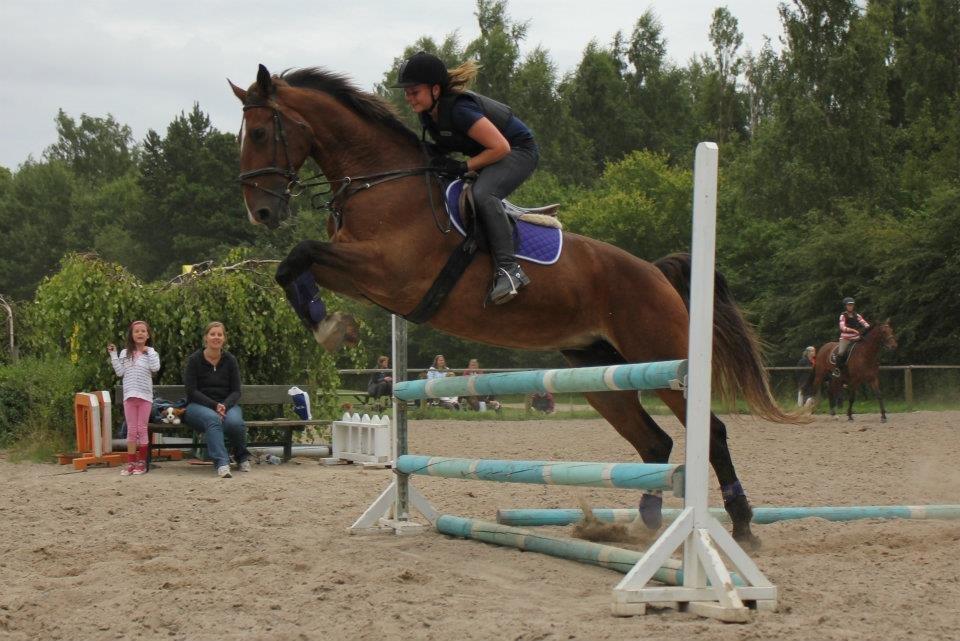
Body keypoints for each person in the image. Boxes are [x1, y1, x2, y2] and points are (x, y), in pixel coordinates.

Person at [393, 51, 539, 305]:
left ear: (435, 89)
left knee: (484, 193)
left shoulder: (459, 109)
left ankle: (509, 269)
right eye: (407, 92)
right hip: (493, 152)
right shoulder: (428, 114)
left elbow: (501, 147)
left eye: (414, 91)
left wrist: (464, 166)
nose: (408, 97)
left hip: (517, 151)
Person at [182, 321, 251, 478]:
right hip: (197, 406)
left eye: (220, 334)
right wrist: (214, 406)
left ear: (224, 338)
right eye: (212, 334)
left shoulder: (230, 360)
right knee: (213, 419)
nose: (216, 337)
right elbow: (191, 391)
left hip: (226, 405)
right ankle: (222, 463)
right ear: (206, 337)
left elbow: (236, 391)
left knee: (235, 422)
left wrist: (224, 405)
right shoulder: (194, 360)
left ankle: (241, 457)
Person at [108, 320, 161, 476]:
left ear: (148, 335)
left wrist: (148, 351)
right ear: (131, 335)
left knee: (142, 429)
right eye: (136, 331)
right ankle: (131, 461)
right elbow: (119, 372)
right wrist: (113, 354)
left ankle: (142, 462)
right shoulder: (125, 353)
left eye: (143, 331)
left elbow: (155, 367)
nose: (140, 333)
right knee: (131, 430)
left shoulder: (152, 352)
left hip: (145, 396)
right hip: (129, 396)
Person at [835, 297, 870, 375]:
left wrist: (868, 328)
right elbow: (842, 327)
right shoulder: (843, 316)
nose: (850, 306)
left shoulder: (857, 315)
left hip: (856, 338)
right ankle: (837, 369)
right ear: (845, 306)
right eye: (849, 305)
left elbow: (864, 323)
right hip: (846, 338)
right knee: (841, 352)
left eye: (852, 305)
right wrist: (853, 330)